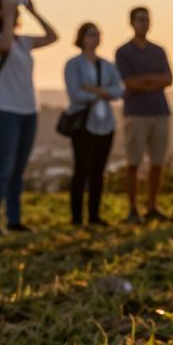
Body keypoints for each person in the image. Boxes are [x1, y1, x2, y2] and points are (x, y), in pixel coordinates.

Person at [0, 0, 58, 236]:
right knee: (3, 167)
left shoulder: (23, 42)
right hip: (4, 109)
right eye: (7, 8)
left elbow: (52, 36)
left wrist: (35, 12)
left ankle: (14, 219)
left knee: (18, 169)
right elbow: (3, 45)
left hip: (29, 110)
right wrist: (8, 16)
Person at [115, 6, 173, 224]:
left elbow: (168, 79)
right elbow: (130, 82)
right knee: (134, 162)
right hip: (136, 113)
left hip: (160, 111)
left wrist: (144, 81)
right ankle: (132, 209)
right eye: (140, 20)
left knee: (158, 162)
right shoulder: (124, 52)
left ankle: (152, 206)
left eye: (147, 19)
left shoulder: (159, 51)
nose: (144, 23)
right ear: (132, 22)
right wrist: (153, 81)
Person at [64, 22, 124, 226]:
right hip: (84, 124)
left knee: (99, 171)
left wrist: (94, 90)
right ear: (81, 38)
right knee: (81, 169)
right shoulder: (74, 64)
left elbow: (119, 90)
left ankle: (94, 215)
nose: (95, 38)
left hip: (105, 123)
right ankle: (77, 216)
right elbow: (75, 94)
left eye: (98, 34)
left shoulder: (106, 65)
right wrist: (102, 92)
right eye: (91, 34)